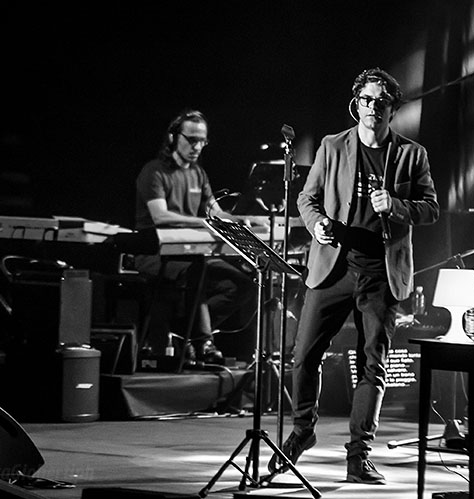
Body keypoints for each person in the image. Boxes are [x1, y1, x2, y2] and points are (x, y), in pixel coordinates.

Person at [268, 68, 439, 484]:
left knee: (372, 365)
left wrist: (397, 206)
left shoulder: (412, 154)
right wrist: (315, 225)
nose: (372, 109)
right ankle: (302, 431)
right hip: (333, 267)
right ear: (356, 103)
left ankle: (359, 454)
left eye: (381, 102)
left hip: (381, 271)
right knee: (304, 354)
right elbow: (307, 197)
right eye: (366, 100)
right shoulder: (332, 146)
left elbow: (430, 208)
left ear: (392, 109)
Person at [133, 109, 257, 365]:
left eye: (202, 141)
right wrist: (206, 222)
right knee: (198, 270)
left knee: (243, 284)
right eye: (191, 139)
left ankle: (185, 332)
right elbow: (161, 217)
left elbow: (217, 212)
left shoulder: (198, 174)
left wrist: (249, 220)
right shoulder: (153, 171)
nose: (197, 146)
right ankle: (203, 342)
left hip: (190, 255)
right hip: (153, 255)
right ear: (172, 138)